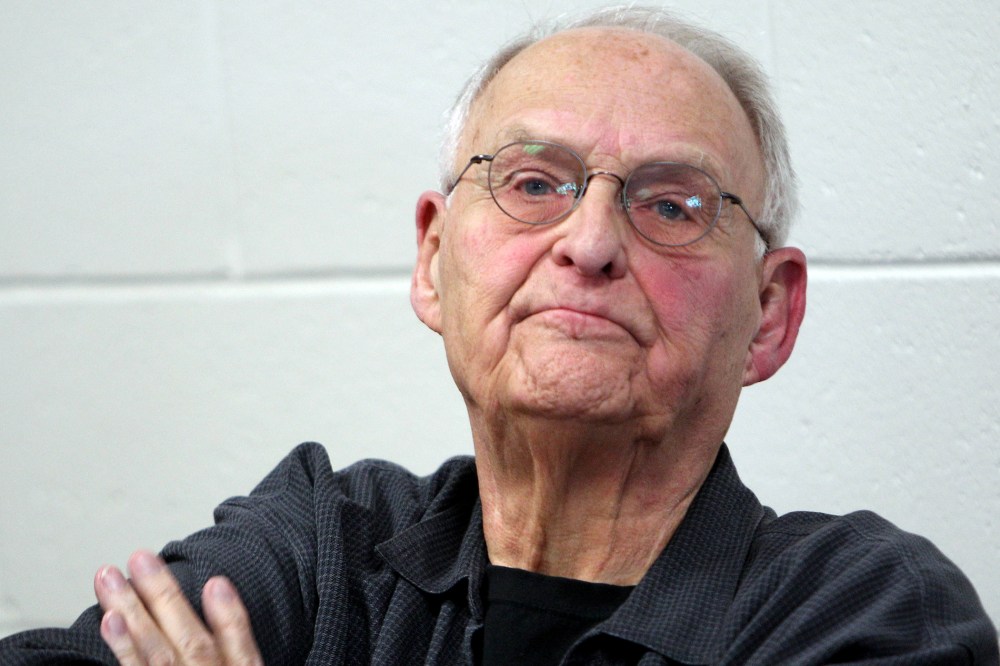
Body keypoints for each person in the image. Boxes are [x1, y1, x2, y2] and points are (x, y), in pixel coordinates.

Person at [2, 6, 996, 665]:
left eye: (672, 205)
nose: (591, 242)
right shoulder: (323, 546)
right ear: (434, 259)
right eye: (532, 183)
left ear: (768, 314)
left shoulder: (860, 613)